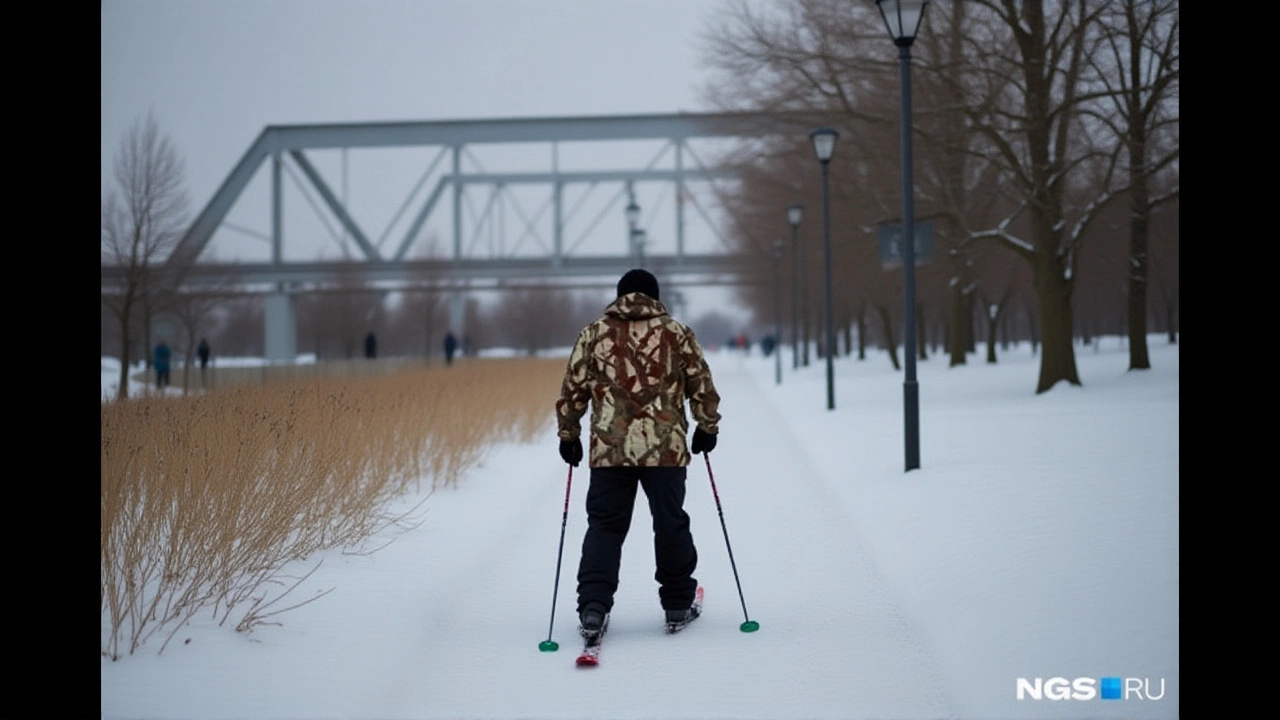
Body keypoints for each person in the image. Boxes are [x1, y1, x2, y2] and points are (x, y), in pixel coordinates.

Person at [555, 268, 722, 641]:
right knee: (669, 522)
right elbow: (702, 385)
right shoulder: (677, 333)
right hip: (665, 450)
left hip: (610, 451)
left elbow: (572, 389)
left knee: (605, 526)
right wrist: (706, 427)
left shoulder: (593, 334)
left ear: (620, 296)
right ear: (655, 295)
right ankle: (678, 602)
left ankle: (593, 607)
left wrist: (569, 433)